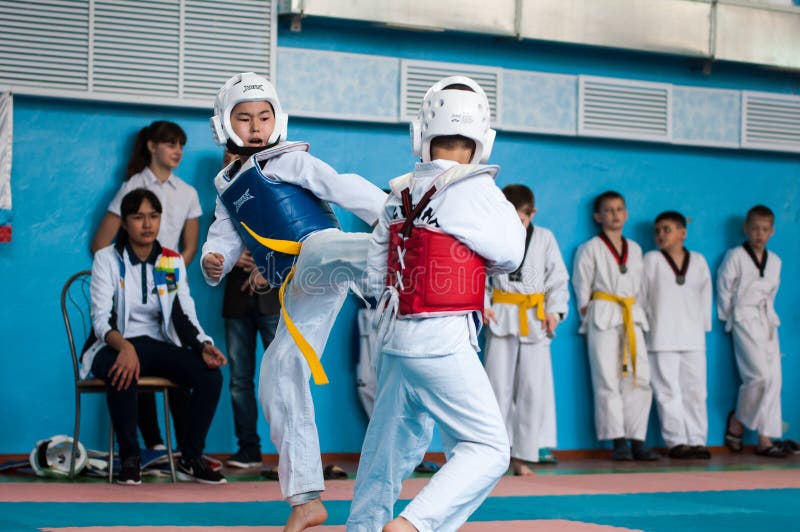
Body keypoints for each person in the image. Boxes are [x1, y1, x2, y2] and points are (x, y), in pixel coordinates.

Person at [200, 72, 386, 530]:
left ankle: (420, 246)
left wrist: (392, 215)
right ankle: (305, 498)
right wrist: (214, 259)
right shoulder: (226, 186)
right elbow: (222, 236)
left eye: (264, 116)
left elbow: (341, 186)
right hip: (301, 284)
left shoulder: (286, 161)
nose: (256, 126)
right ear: (225, 124)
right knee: (277, 374)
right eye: (244, 118)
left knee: (338, 252)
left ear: (278, 120)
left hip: (323, 251)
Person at [347, 75, 525, 532]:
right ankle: (414, 526)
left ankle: (364, 528)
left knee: (384, 453)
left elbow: (372, 276)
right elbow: (511, 254)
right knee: (488, 449)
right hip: (443, 338)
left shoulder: (397, 194)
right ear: (483, 138)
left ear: (420, 134)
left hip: (393, 338)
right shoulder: (477, 190)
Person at [83, 188, 227, 485]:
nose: (147, 224)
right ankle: (131, 458)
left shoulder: (169, 261)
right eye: (138, 217)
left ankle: (190, 456)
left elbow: (182, 312)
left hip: (156, 346)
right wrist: (123, 347)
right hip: (112, 344)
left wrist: (203, 345)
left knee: (210, 375)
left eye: (153, 216)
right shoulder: (107, 260)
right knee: (121, 369)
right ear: (124, 222)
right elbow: (101, 318)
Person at [90, 120, 201, 452]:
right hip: (130, 289)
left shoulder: (188, 193)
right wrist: (126, 272)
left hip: (167, 283)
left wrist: (166, 272)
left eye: (181, 145)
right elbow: (101, 243)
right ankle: (152, 446)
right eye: (170, 144)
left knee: (181, 356)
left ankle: (185, 453)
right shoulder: (131, 186)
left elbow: (189, 249)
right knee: (134, 352)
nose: (177, 151)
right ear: (152, 146)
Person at [483, 184, 569, 475]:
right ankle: (495, 453)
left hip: (535, 317)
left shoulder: (545, 238)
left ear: (532, 214)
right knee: (497, 387)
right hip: (500, 315)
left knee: (533, 389)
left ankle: (524, 456)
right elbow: (479, 273)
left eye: (521, 219)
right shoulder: (492, 234)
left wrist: (555, 312)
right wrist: (482, 303)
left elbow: (557, 277)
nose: (515, 224)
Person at [572, 191, 658, 461]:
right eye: (608, 210)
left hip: (632, 314)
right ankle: (618, 441)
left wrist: (639, 313)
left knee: (638, 376)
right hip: (603, 314)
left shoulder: (635, 249)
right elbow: (581, 287)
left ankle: (637, 439)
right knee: (607, 377)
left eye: (619, 209)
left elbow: (642, 288)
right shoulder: (589, 248)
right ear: (598, 216)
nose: (615, 214)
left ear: (626, 214)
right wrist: (588, 314)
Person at [216, 149, 282, 470]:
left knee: (282, 376)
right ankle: (248, 450)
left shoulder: (275, 197)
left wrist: (263, 265)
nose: (233, 163)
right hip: (236, 303)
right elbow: (212, 255)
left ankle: (290, 453)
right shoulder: (220, 208)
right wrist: (230, 260)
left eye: (239, 157)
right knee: (239, 380)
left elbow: (294, 245)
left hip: (271, 299)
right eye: (227, 158)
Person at [718, 205, 788, 458]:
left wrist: (767, 317)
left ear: (772, 231)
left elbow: (772, 293)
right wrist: (729, 319)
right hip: (743, 318)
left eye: (765, 229)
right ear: (746, 228)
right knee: (759, 377)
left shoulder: (776, 261)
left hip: (767, 319)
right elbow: (724, 288)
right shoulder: (735, 255)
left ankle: (764, 438)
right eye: (755, 228)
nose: (759, 233)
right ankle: (737, 421)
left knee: (774, 380)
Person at [641, 211, 712, 459]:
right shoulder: (651, 260)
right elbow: (643, 297)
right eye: (657, 230)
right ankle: (676, 441)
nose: (661, 234)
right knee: (667, 391)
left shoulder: (699, 261)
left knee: (696, 390)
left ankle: (697, 440)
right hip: (661, 336)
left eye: (667, 229)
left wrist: (704, 326)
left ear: (683, 233)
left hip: (693, 336)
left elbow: (705, 297)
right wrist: (646, 328)